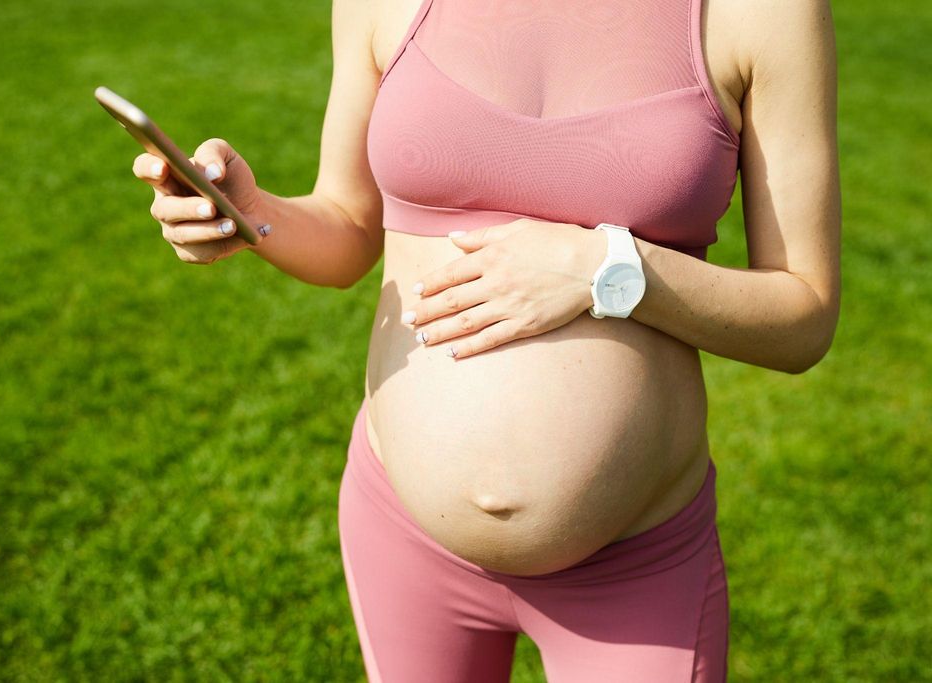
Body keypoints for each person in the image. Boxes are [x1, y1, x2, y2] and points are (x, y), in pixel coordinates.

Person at [131, 0, 840, 679]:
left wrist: (611, 268)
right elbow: (348, 225)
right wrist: (253, 216)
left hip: (635, 569)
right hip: (404, 537)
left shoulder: (760, 10)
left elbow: (804, 312)